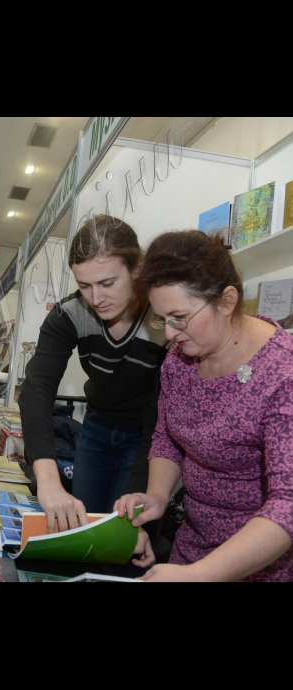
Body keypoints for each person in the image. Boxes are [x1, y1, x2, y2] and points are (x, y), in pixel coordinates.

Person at [116, 231, 293, 582]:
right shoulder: (179, 360)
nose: (168, 333)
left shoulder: (282, 374)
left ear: (227, 301)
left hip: (256, 567)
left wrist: (202, 574)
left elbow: (288, 507)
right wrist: (157, 495)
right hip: (191, 553)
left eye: (179, 317)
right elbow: (168, 435)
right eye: (161, 319)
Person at [18, 215, 169, 533]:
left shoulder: (163, 320)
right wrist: (48, 481)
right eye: (84, 285)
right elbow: (37, 388)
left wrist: (142, 497)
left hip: (148, 434)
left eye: (107, 283)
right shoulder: (69, 314)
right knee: (79, 528)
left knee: (124, 532)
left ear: (137, 268)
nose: (96, 298)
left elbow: (159, 418)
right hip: (97, 427)